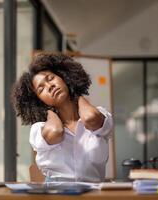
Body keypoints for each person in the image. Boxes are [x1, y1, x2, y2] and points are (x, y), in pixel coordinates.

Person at [11, 53, 113, 182]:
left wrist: (75, 92)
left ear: (65, 77)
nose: (50, 86)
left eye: (50, 78)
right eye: (41, 89)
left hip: (93, 193)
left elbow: (90, 118)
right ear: (39, 100)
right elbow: (56, 131)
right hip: (56, 193)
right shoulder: (39, 129)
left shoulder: (100, 114)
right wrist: (49, 110)